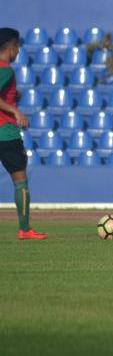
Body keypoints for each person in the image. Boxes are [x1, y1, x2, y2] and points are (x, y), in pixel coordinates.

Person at [0, 28, 47, 240]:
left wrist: (12, 98)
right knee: (21, 181)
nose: (18, 50)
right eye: (17, 46)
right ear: (10, 47)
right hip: (6, 133)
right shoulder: (6, 69)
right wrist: (15, 110)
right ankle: (25, 229)